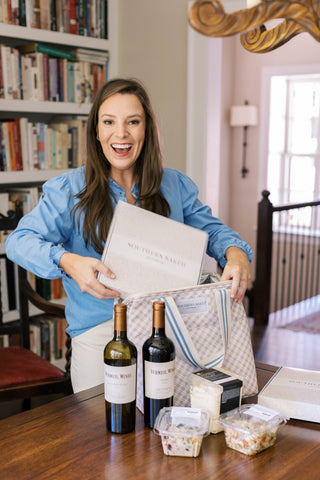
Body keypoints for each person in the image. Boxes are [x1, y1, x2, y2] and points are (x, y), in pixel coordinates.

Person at [6, 78, 252, 394]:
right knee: (101, 436)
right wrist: (68, 261)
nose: (120, 134)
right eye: (109, 122)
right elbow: (18, 241)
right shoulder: (68, 190)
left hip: (170, 327)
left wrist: (235, 252)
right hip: (101, 332)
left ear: (146, 129)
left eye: (132, 122)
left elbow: (215, 231)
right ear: (96, 130)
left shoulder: (174, 184)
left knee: (169, 427)